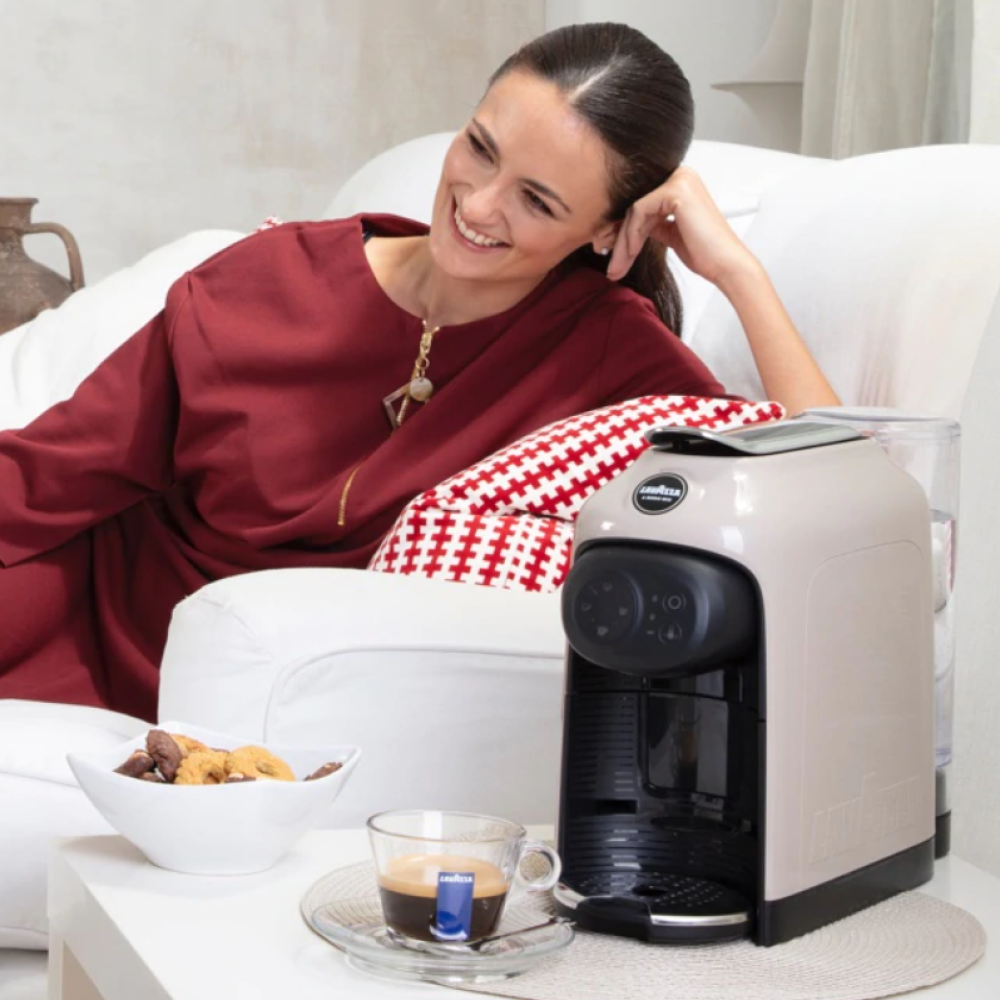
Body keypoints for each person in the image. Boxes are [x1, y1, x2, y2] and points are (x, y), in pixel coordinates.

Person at [0, 23, 838, 721]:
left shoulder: (613, 355)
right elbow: (53, 473)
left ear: (604, 229)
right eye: (479, 148)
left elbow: (832, 482)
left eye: (537, 201)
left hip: (285, 698)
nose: (477, 205)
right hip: (98, 614)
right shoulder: (262, 276)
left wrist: (737, 273)